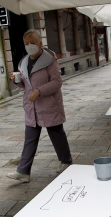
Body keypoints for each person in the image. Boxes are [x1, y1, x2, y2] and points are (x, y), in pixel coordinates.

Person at [7, 29, 73, 183]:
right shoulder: (23, 62)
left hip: (49, 105)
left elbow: (57, 82)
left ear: (40, 44)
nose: (29, 46)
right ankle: (23, 171)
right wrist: (16, 81)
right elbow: (25, 85)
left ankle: (66, 162)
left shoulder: (50, 60)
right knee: (30, 139)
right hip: (32, 108)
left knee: (57, 134)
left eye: (32, 43)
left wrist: (39, 91)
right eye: (26, 44)